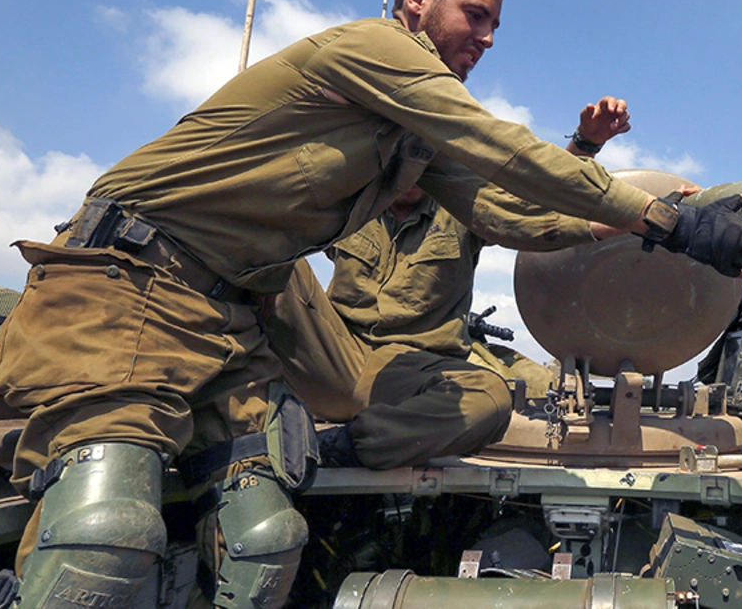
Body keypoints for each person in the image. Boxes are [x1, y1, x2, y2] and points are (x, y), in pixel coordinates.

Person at [0, 0, 742, 609]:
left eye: (498, 26)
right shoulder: (371, 51)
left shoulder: (410, 145)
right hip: (131, 286)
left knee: (265, 545)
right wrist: (670, 223)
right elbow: (501, 148)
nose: (489, 39)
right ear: (417, 0)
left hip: (229, 326)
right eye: (477, 16)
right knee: (105, 540)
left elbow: (516, 216)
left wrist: (677, 219)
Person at [267, 97, 635, 469]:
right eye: (401, 153)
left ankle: (340, 445)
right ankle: (229, 400)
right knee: (263, 250)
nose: (410, 169)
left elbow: (535, 202)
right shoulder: (355, 202)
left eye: (422, 155)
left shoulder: (464, 207)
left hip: (416, 376)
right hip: (334, 358)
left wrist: (591, 153)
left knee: (490, 398)